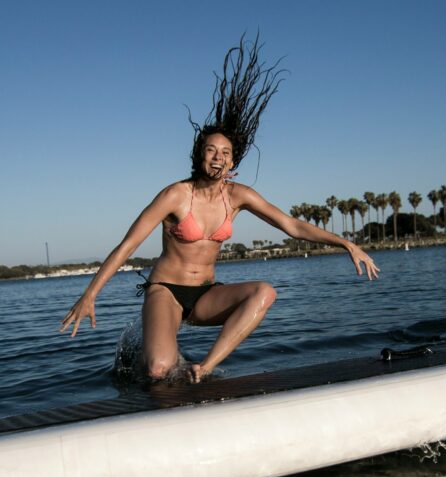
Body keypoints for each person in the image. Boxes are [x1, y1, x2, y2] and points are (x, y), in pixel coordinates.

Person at [60, 37, 379, 383]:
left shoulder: (239, 196)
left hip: (206, 295)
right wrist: (89, 295)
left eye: (225, 153)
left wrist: (346, 244)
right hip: (166, 290)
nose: (218, 157)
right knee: (157, 369)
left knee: (265, 292)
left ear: (232, 161)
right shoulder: (175, 196)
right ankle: (149, 358)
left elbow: (292, 225)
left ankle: (204, 368)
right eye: (211, 150)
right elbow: (127, 246)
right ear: (200, 156)